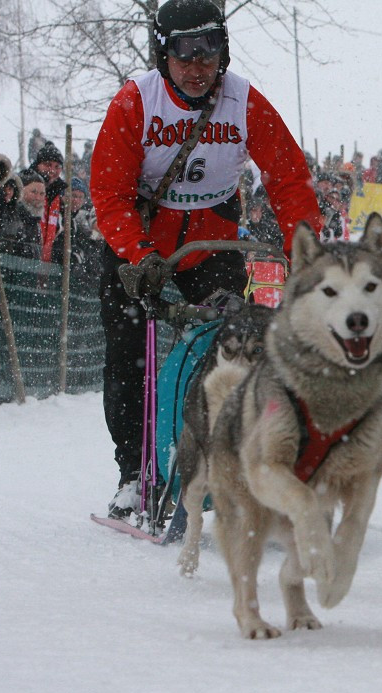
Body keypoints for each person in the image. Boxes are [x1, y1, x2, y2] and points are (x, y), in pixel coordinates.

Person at [90, 0, 322, 518]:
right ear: (163, 54)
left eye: (208, 52)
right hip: (141, 243)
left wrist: (302, 246)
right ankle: (134, 471)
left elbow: (288, 180)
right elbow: (108, 193)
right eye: (184, 54)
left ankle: (233, 461)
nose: (197, 68)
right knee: (129, 356)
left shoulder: (244, 103)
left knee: (232, 346)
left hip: (212, 241)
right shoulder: (135, 103)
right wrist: (139, 253)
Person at [29, 142, 67, 264]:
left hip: (47, 263)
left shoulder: (59, 195)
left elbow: (61, 228)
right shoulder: (27, 184)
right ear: (38, 165)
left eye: (57, 167)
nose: (52, 170)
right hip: (27, 260)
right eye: (48, 165)